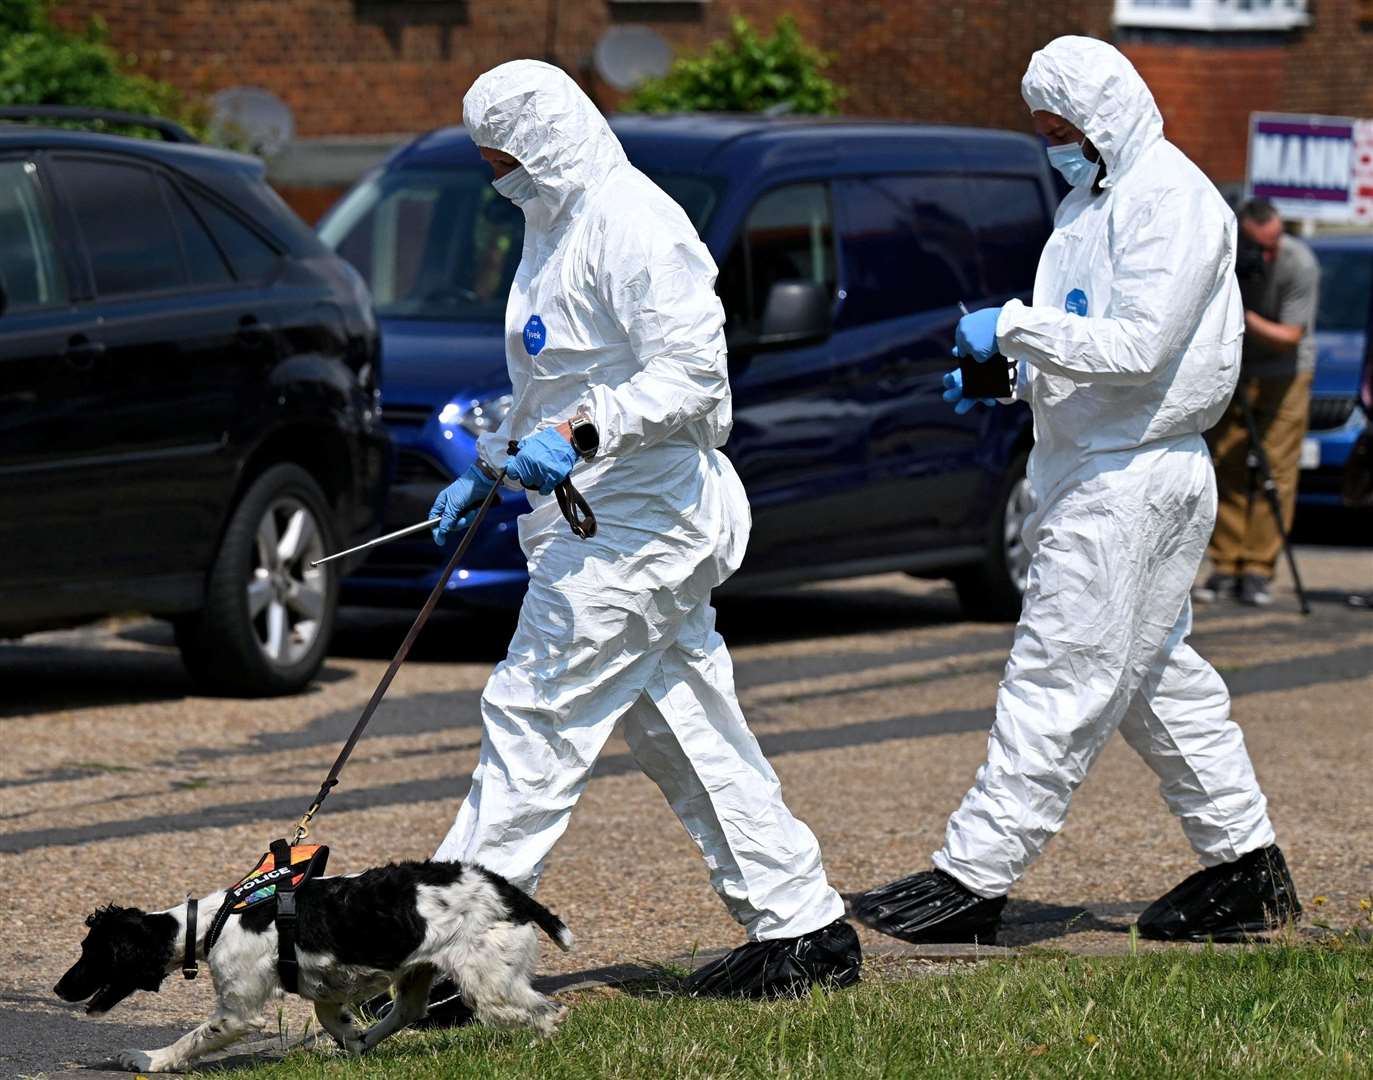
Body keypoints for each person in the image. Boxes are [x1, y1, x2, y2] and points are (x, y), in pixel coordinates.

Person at [422, 60, 860, 1010]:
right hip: (606, 524)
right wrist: (492, 464)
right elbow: (556, 382)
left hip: (640, 529)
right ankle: (805, 928)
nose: (500, 180)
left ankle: (449, 957)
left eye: (505, 161)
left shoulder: (635, 224)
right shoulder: (553, 225)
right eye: (489, 164)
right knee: (690, 732)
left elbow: (694, 380)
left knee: (532, 720)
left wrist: (579, 437)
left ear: (545, 141)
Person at [848, 37, 1300, 946]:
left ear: (1108, 115)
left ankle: (973, 879)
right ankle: (1246, 866)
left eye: (1066, 130)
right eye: (1046, 132)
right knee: (1152, 679)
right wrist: (1008, 376)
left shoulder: (1171, 201)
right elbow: (1088, 347)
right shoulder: (1086, 206)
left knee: (1056, 673)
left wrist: (1013, 325)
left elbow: (1137, 348)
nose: (1057, 145)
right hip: (1099, 464)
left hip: (1129, 478)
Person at [1194, 199, 1320, 608]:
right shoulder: (1225, 260)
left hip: (1286, 371)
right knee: (1225, 460)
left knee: (1276, 469)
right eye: (1258, 247)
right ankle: (1226, 563)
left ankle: (1258, 568)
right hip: (1234, 366)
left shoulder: (1299, 263)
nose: (1266, 255)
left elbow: (1290, 335)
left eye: (1273, 244)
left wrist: (1240, 315)